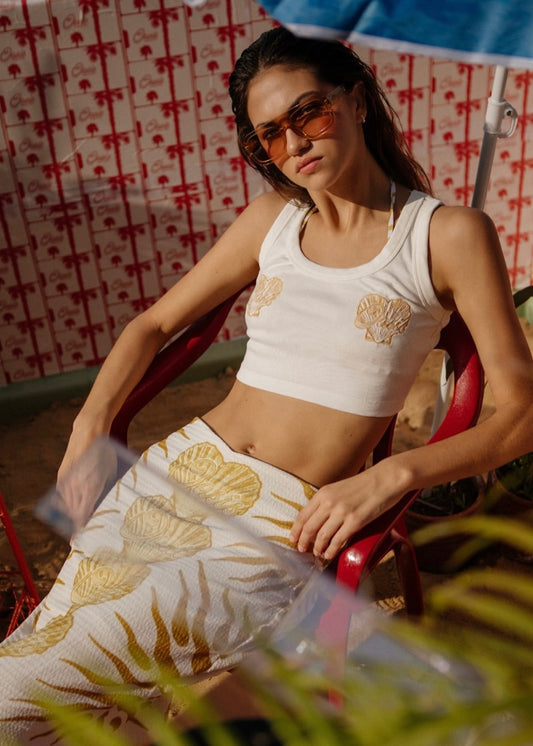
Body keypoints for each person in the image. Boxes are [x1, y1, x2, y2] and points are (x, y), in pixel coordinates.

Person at [1, 25, 533, 744]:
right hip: (176, 472)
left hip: (281, 518)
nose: (294, 144)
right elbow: (151, 326)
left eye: (309, 113)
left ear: (357, 101)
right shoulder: (271, 220)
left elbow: (521, 412)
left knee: (37, 684)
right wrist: (89, 425)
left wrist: (391, 475)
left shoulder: (445, 235)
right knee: (57, 642)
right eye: (269, 136)